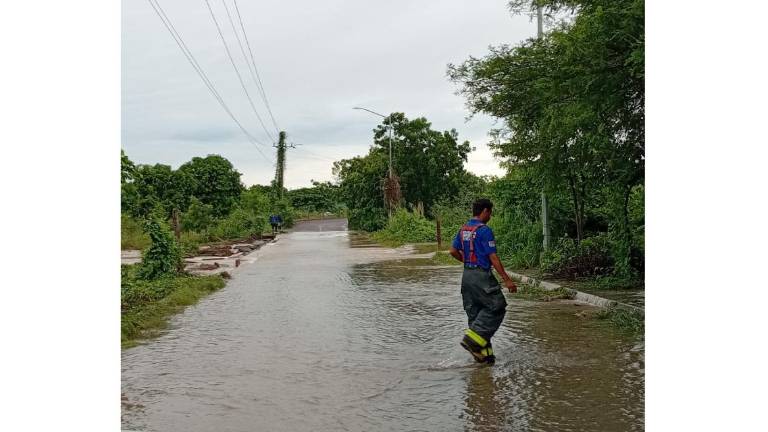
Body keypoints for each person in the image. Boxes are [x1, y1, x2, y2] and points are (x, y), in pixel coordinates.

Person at [449, 198, 517, 364]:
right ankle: (471, 341)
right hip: (482, 276)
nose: (490, 216)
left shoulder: (464, 229)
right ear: (485, 211)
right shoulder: (484, 230)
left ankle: (485, 357)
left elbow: (452, 251)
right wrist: (507, 280)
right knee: (497, 306)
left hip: (467, 276)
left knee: (476, 315)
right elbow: (493, 257)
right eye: (490, 213)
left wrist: (466, 260)